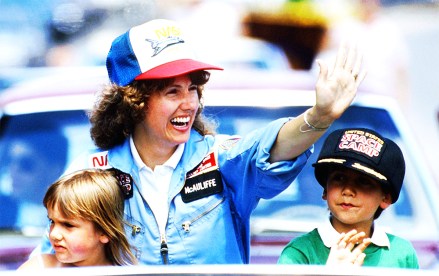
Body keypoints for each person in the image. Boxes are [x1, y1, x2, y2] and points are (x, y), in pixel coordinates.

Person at [33, 18, 365, 264]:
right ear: (134, 99)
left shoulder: (222, 158)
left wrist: (320, 116)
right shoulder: (90, 172)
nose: (189, 103)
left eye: (193, 88)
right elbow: (53, 256)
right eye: (172, 91)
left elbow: (269, 149)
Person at [278, 128, 419, 268]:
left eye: (363, 182)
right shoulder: (299, 253)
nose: (347, 191)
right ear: (325, 190)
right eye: (338, 178)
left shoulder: (401, 254)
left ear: (386, 198)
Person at [18, 169, 137, 269]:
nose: (54, 234)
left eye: (68, 225)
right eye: (52, 221)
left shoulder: (124, 273)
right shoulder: (39, 268)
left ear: (105, 232)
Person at [0, 129, 68, 231]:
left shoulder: (72, 217)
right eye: (10, 162)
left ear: (54, 170)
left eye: (25, 164)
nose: (13, 171)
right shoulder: (3, 211)